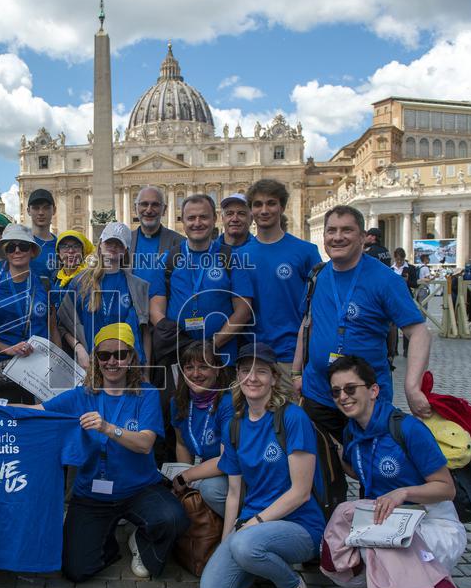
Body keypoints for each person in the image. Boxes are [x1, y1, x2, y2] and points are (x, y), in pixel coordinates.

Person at [36, 323, 189, 581]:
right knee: (75, 570)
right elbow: (35, 412)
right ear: (96, 359)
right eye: (104, 355)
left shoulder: (147, 394)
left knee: (173, 518)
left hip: (139, 489)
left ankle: (141, 540)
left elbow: (145, 443)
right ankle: (105, 540)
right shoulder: (82, 395)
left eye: (120, 354)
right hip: (92, 494)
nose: (112, 361)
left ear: (131, 358)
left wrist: (108, 428)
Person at [292, 205, 431, 477]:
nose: (337, 237)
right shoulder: (318, 275)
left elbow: (418, 332)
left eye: (347, 230)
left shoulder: (385, 279)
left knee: (375, 470)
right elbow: (307, 325)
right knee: (322, 472)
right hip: (319, 393)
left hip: (366, 396)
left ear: (362, 237)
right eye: (331, 231)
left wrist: (412, 386)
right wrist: (297, 373)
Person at [199, 342, 326, 588]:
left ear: (274, 378)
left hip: (300, 524)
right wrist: (225, 540)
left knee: (245, 544)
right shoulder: (235, 425)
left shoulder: (292, 418)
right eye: (245, 371)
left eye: (261, 371)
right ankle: (261, 560)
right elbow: (234, 493)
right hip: (254, 523)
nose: (252, 378)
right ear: (237, 377)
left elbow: (301, 493)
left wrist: (254, 524)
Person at [327, 355, 465, 574]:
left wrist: (403, 493)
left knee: (382, 552)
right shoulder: (351, 432)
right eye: (336, 392)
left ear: (373, 391)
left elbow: (447, 489)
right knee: (339, 530)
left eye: (350, 389)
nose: (343, 397)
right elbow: (359, 471)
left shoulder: (408, 429)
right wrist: (334, 448)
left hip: (429, 520)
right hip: (386, 518)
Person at [150, 194, 253, 367]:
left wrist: (211, 345)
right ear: (183, 221)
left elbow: (243, 311)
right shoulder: (167, 260)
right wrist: (181, 343)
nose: (197, 223)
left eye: (203, 217)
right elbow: (155, 310)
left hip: (221, 357)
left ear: (214, 219)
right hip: (179, 357)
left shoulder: (232, 258)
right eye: (191, 218)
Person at [243, 179, 322, 383]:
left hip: (291, 356)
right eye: (258, 204)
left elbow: (319, 305)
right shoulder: (239, 256)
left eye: (271, 203)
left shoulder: (306, 251)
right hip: (252, 355)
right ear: (251, 210)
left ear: (282, 207)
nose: (264, 210)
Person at [0, 224, 61, 403]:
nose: (17, 251)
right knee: (7, 418)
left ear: (32, 251)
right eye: (11, 247)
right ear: (5, 253)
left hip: (41, 369)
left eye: (23, 246)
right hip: (5, 370)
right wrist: (9, 349)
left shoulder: (45, 285)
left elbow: (53, 329)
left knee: (40, 417)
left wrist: (57, 361)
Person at [59, 222, 150, 370]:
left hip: (126, 366)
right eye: (109, 242)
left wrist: (146, 369)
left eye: (119, 244)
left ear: (125, 250)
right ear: (100, 244)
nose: (113, 246)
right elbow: (63, 323)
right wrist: (78, 348)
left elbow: (144, 332)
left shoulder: (137, 286)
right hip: (90, 364)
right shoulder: (80, 281)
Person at [169, 342, 228, 515]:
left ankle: (240, 525)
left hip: (232, 474)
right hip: (202, 472)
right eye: (189, 367)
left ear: (217, 370)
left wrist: (186, 476)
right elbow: (181, 444)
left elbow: (227, 459)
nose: (195, 374)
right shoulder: (178, 402)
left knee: (210, 489)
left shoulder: (228, 402)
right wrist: (184, 483)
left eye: (203, 366)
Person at [130, 186, 183, 285]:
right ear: (135, 208)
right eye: (144, 204)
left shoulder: (180, 243)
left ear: (164, 209)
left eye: (155, 205)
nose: (149, 210)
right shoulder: (124, 242)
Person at [50, 230, 95, 312]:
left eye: (76, 246)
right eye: (64, 246)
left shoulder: (90, 278)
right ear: (58, 252)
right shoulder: (55, 277)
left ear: (83, 252)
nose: (71, 251)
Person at [26, 189, 58, 280]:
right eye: (36, 208)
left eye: (46, 208)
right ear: (28, 211)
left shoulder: (60, 247)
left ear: (54, 210)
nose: (41, 213)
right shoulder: (20, 245)